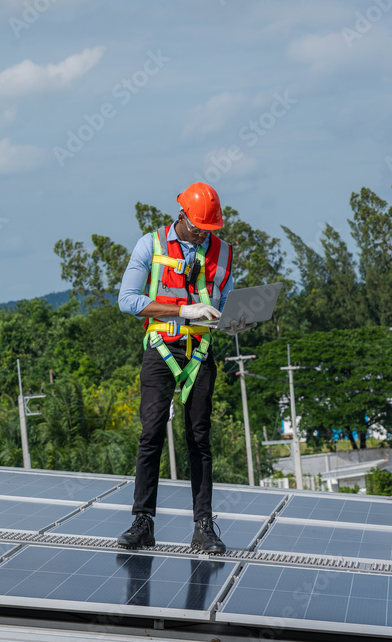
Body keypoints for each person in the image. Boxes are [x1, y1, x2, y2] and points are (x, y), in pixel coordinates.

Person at [115, 182, 255, 554]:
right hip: (161, 347)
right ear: (181, 216)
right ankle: (142, 521)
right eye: (198, 230)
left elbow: (222, 302)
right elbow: (127, 300)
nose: (204, 236)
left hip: (201, 349)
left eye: (210, 231)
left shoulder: (223, 253)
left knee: (199, 438)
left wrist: (233, 320)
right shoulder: (151, 244)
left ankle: (203, 527)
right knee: (151, 434)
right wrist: (181, 310)